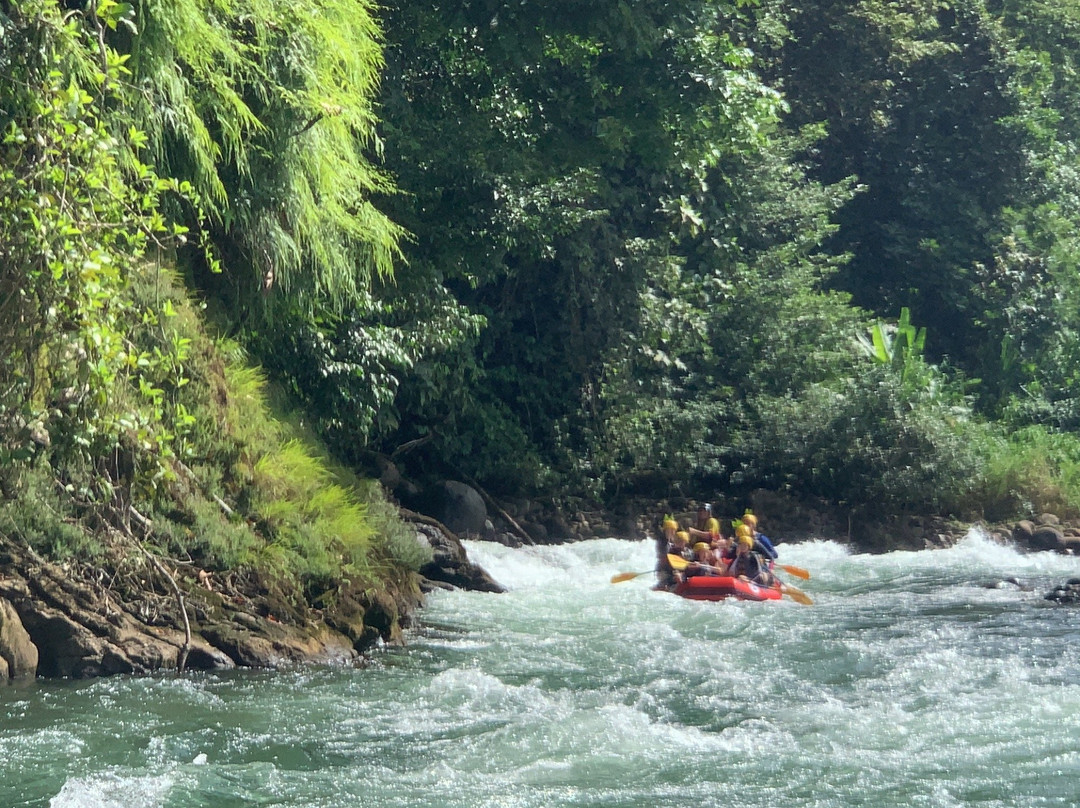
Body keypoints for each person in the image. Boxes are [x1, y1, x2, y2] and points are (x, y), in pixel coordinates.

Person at [654, 516, 680, 590]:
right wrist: (675, 571)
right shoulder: (662, 543)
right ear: (665, 530)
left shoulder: (672, 543)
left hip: (670, 568)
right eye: (669, 530)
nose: (671, 532)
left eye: (673, 530)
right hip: (663, 570)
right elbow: (665, 558)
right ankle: (663, 585)